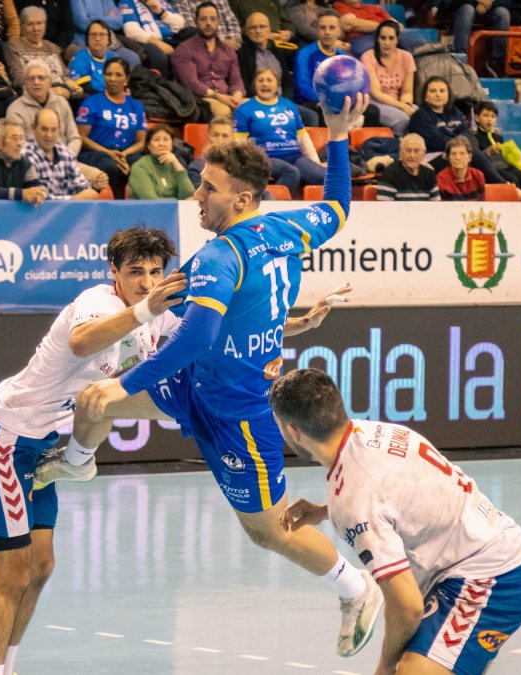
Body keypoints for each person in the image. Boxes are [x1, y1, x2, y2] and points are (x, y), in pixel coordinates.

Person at [36, 93, 386, 659]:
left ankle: (356, 588)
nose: (197, 193)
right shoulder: (290, 228)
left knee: (266, 530)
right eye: (200, 182)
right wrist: (338, 136)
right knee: (93, 401)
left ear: (242, 197)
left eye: (208, 187)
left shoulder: (224, 257)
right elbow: (340, 207)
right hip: (196, 380)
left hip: (238, 411)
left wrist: (124, 384)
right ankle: (76, 463)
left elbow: (198, 333)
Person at [0, 228, 185, 675]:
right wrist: (146, 308)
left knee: (41, 566)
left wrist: (288, 325)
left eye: (155, 272)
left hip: (41, 441)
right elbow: (82, 342)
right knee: (12, 572)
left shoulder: (156, 314)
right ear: (114, 274)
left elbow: (209, 331)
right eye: (135, 272)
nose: (146, 281)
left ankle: (7, 666)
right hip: (3, 437)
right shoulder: (99, 302)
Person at [269, 368, 521, 675]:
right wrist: (324, 510)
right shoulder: (371, 433)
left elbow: (408, 606)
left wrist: (385, 666)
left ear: (293, 432)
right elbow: (393, 495)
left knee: (409, 671)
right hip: (492, 550)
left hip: (491, 578)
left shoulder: (354, 500)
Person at [406, 76, 519, 190]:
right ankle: (504, 187)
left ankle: (512, 189)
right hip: (432, 159)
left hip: (457, 154)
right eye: (433, 91)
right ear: (425, 96)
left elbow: (468, 135)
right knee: (471, 153)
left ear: (448, 94)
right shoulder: (420, 116)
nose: (438, 94)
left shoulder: (455, 112)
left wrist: (460, 143)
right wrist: (459, 143)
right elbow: (437, 142)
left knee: (512, 177)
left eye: (442, 91)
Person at [235, 68, 326, 186]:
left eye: (269, 80)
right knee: (292, 173)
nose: (265, 83)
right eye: (260, 80)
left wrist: (315, 162)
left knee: (324, 176)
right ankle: (272, 202)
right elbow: (238, 143)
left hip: (295, 157)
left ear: (277, 85)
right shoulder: (245, 108)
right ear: (254, 85)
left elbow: (303, 138)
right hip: (265, 159)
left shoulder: (288, 105)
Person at [76, 57, 148, 196]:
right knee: (109, 166)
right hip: (96, 153)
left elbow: (141, 142)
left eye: (118, 75)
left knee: (140, 165)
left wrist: (123, 155)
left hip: (125, 152)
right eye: (108, 74)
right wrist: (109, 153)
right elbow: (81, 137)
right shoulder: (91, 102)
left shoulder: (136, 106)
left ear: (126, 78)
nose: (112, 79)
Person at [188, 115, 302, 193]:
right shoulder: (196, 167)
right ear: (208, 137)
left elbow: (291, 172)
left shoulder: (247, 161)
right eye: (215, 135)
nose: (220, 140)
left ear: (233, 138)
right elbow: (203, 196)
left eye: (225, 136)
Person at [239, 12, 317, 124]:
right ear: (246, 31)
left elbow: (287, 82)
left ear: (269, 29)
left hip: (281, 102)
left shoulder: (277, 50)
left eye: (262, 26)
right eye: (253, 27)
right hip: (258, 102)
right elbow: (245, 84)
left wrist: (283, 102)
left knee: (311, 116)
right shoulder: (242, 53)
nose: (258, 31)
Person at [173, 2, 247, 118]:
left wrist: (236, 97)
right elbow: (191, 83)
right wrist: (219, 97)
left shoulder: (228, 51)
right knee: (223, 111)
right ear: (196, 21)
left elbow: (236, 81)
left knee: (254, 107)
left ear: (218, 22)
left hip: (227, 97)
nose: (208, 23)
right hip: (199, 99)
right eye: (203, 19)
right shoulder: (184, 49)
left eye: (213, 19)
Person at [23, 108, 103, 199]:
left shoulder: (65, 153)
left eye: (53, 130)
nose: (49, 135)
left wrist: (89, 192)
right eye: (44, 129)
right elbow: (38, 198)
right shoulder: (26, 155)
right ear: (34, 129)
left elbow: (82, 186)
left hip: (71, 210)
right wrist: (73, 199)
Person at [8, 6, 84, 98]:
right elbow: (18, 79)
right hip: (35, 94)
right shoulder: (14, 46)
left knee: (85, 98)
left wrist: (74, 86)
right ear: (22, 26)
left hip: (62, 91)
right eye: (30, 24)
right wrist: (47, 90)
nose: (36, 28)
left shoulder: (52, 47)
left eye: (39, 23)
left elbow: (64, 75)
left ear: (45, 25)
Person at [360, 21, 416, 135]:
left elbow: (407, 91)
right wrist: (403, 107)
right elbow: (376, 93)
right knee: (403, 120)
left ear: (397, 39)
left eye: (391, 38)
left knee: (422, 116)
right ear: (377, 39)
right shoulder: (368, 57)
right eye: (383, 38)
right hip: (374, 102)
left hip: (398, 101)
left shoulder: (407, 57)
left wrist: (407, 105)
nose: (387, 42)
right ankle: (397, 146)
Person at [295, 11, 349, 118]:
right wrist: (328, 100)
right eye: (323, 28)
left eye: (332, 28)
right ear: (317, 31)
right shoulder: (305, 54)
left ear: (339, 32)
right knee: (327, 110)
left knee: (371, 111)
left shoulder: (342, 56)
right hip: (310, 102)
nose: (327, 32)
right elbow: (303, 87)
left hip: (337, 101)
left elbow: (348, 83)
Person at [473, 101, 521, 192]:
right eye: (485, 115)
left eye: (492, 116)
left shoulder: (498, 137)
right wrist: (489, 150)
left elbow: (506, 157)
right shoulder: (475, 137)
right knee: (513, 180)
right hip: (492, 169)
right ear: (477, 118)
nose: (489, 119)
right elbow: (476, 159)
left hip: (506, 166)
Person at [426, 0, 509, 64]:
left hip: (485, 11)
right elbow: (446, 3)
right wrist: (476, 1)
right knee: (468, 9)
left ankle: (499, 61)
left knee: (502, 12)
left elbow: (511, 4)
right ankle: (460, 56)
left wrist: (487, 3)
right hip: (457, 9)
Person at [128, 124, 196, 198]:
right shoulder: (140, 167)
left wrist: (178, 167)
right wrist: (178, 203)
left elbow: (189, 195)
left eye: (166, 139)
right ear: (149, 146)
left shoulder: (174, 164)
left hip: (175, 209)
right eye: (156, 140)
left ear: (172, 144)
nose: (161, 144)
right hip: (148, 209)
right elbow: (151, 202)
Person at [119, 0, 184, 74]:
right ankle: (161, 83)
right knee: (159, 57)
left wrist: (160, 12)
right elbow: (131, 31)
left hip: (172, 37)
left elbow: (181, 24)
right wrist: (158, 43)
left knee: (191, 34)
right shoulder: (127, 2)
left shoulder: (161, 1)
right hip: (147, 41)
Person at [376, 133, 439, 201]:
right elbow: (385, 209)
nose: (412, 155)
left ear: (423, 154)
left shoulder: (429, 174)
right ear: (400, 153)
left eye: (416, 151)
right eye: (408, 150)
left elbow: (435, 207)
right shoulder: (390, 174)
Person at [69, 20, 119, 95]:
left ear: (109, 39)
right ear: (87, 39)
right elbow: (85, 86)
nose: (98, 38)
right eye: (93, 35)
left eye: (102, 34)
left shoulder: (113, 57)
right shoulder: (80, 57)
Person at [332, 0, 399, 56]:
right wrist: (384, 27)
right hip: (362, 39)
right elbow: (349, 24)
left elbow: (397, 25)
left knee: (407, 35)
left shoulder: (375, 8)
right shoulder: (340, 5)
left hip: (387, 34)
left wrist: (389, 28)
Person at [436, 135, 484, 200]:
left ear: (469, 157)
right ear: (448, 158)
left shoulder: (478, 175)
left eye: (462, 153)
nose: (458, 158)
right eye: (453, 154)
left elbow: (482, 204)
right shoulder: (441, 178)